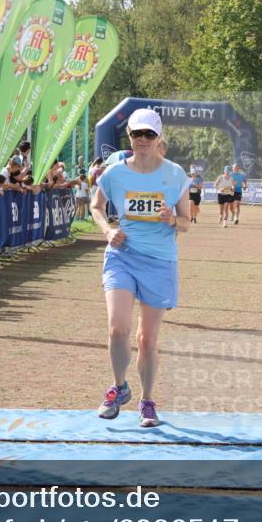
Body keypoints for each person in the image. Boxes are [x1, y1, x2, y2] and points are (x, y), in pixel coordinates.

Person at [90, 108, 191, 428]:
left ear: (158, 137)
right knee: (117, 328)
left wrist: (172, 219)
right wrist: (107, 230)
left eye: (149, 134)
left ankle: (147, 402)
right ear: (129, 136)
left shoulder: (175, 174)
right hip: (122, 255)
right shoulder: (115, 173)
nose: (142, 140)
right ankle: (119, 387)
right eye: (136, 134)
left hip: (160, 261)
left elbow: (187, 222)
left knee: (147, 338)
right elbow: (96, 206)